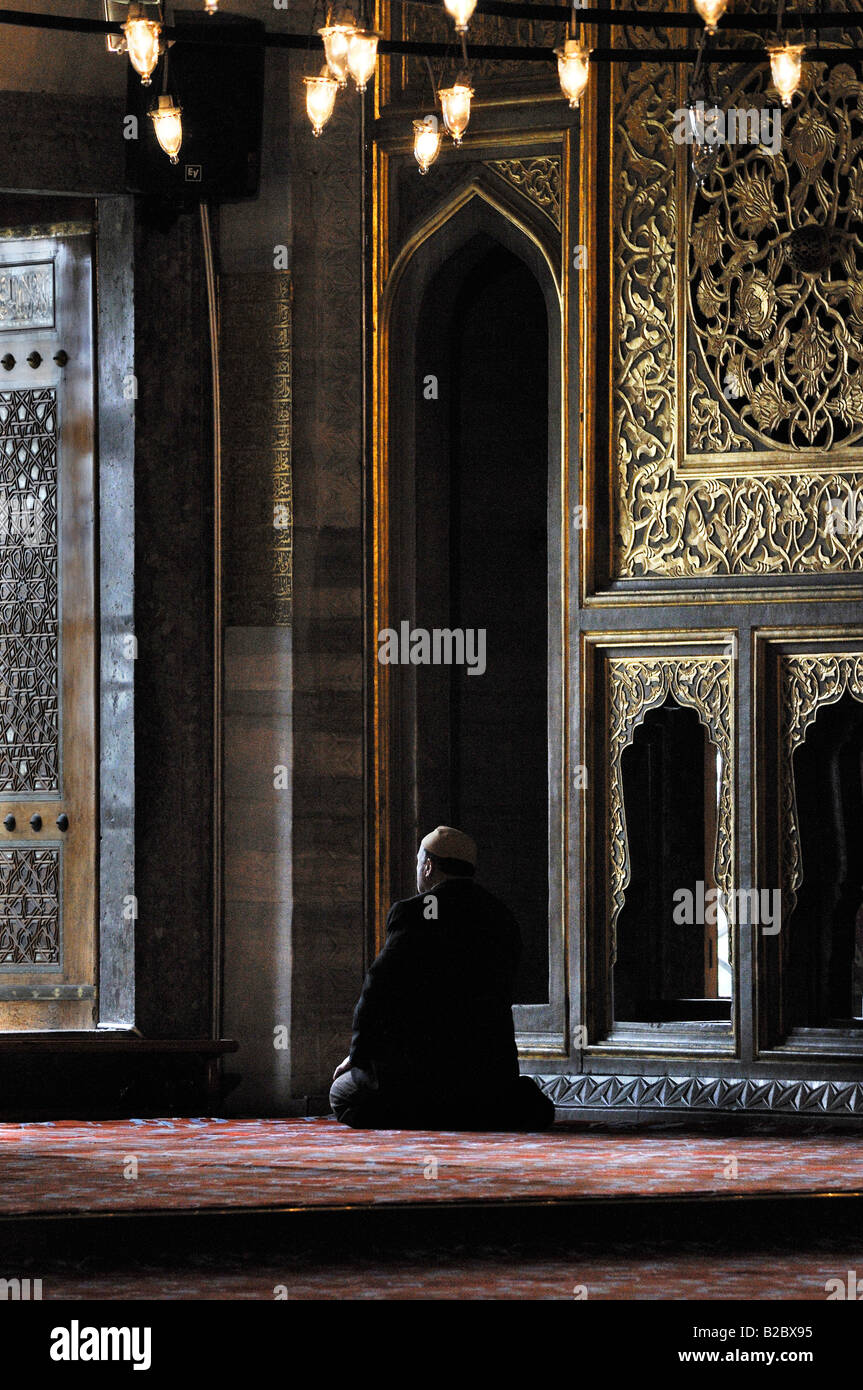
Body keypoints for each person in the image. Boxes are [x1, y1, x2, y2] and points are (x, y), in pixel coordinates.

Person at [330, 825, 555, 1130]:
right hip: (486, 1076)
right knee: (523, 1102)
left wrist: (359, 1057)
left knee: (342, 1094)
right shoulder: (500, 915)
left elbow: (376, 993)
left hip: (420, 1075)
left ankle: (432, 1111)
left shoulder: (415, 913)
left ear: (428, 866)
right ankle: (469, 1111)